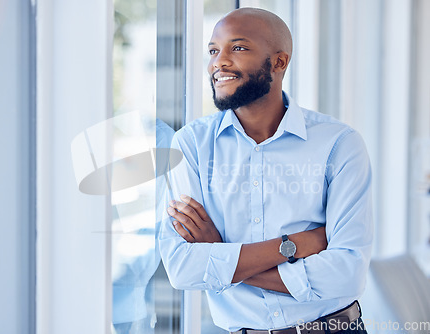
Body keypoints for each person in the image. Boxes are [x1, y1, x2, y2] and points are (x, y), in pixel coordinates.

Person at [158, 7, 373, 334]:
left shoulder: (339, 144)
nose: (219, 62)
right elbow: (183, 269)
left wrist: (219, 254)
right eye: (214, 51)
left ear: (279, 62)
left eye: (238, 48)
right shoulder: (190, 145)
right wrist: (294, 245)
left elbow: (346, 273)